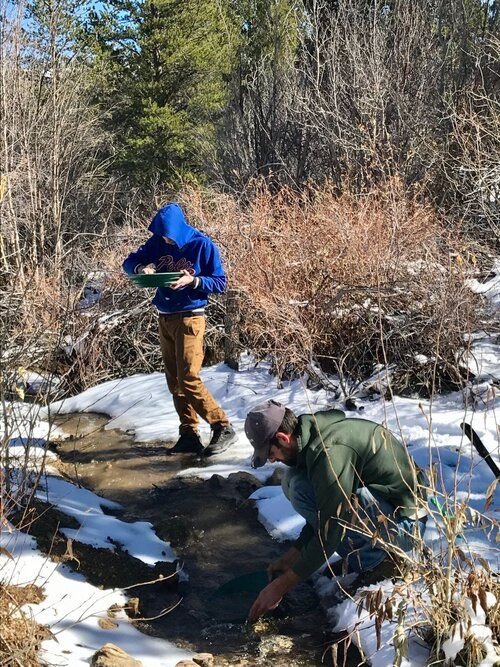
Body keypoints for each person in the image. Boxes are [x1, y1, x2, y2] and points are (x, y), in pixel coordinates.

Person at [244, 400, 427, 622]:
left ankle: (383, 562)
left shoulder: (330, 453)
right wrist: (292, 557)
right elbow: (323, 512)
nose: (272, 460)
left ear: (283, 438)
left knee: (325, 496)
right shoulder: (310, 436)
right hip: (383, 510)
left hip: (406, 526)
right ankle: (361, 555)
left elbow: (331, 527)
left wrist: (281, 586)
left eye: (270, 453)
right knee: (294, 482)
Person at [123, 203, 236, 456]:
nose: (164, 239)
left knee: (188, 378)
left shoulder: (202, 244)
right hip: (165, 316)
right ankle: (189, 433)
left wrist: (193, 280)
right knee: (174, 380)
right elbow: (129, 262)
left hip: (190, 317)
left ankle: (222, 426)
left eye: (168, 235)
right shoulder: (157, 242)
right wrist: (142, 269)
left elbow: (220, 282)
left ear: (179, 229)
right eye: (161, 235)